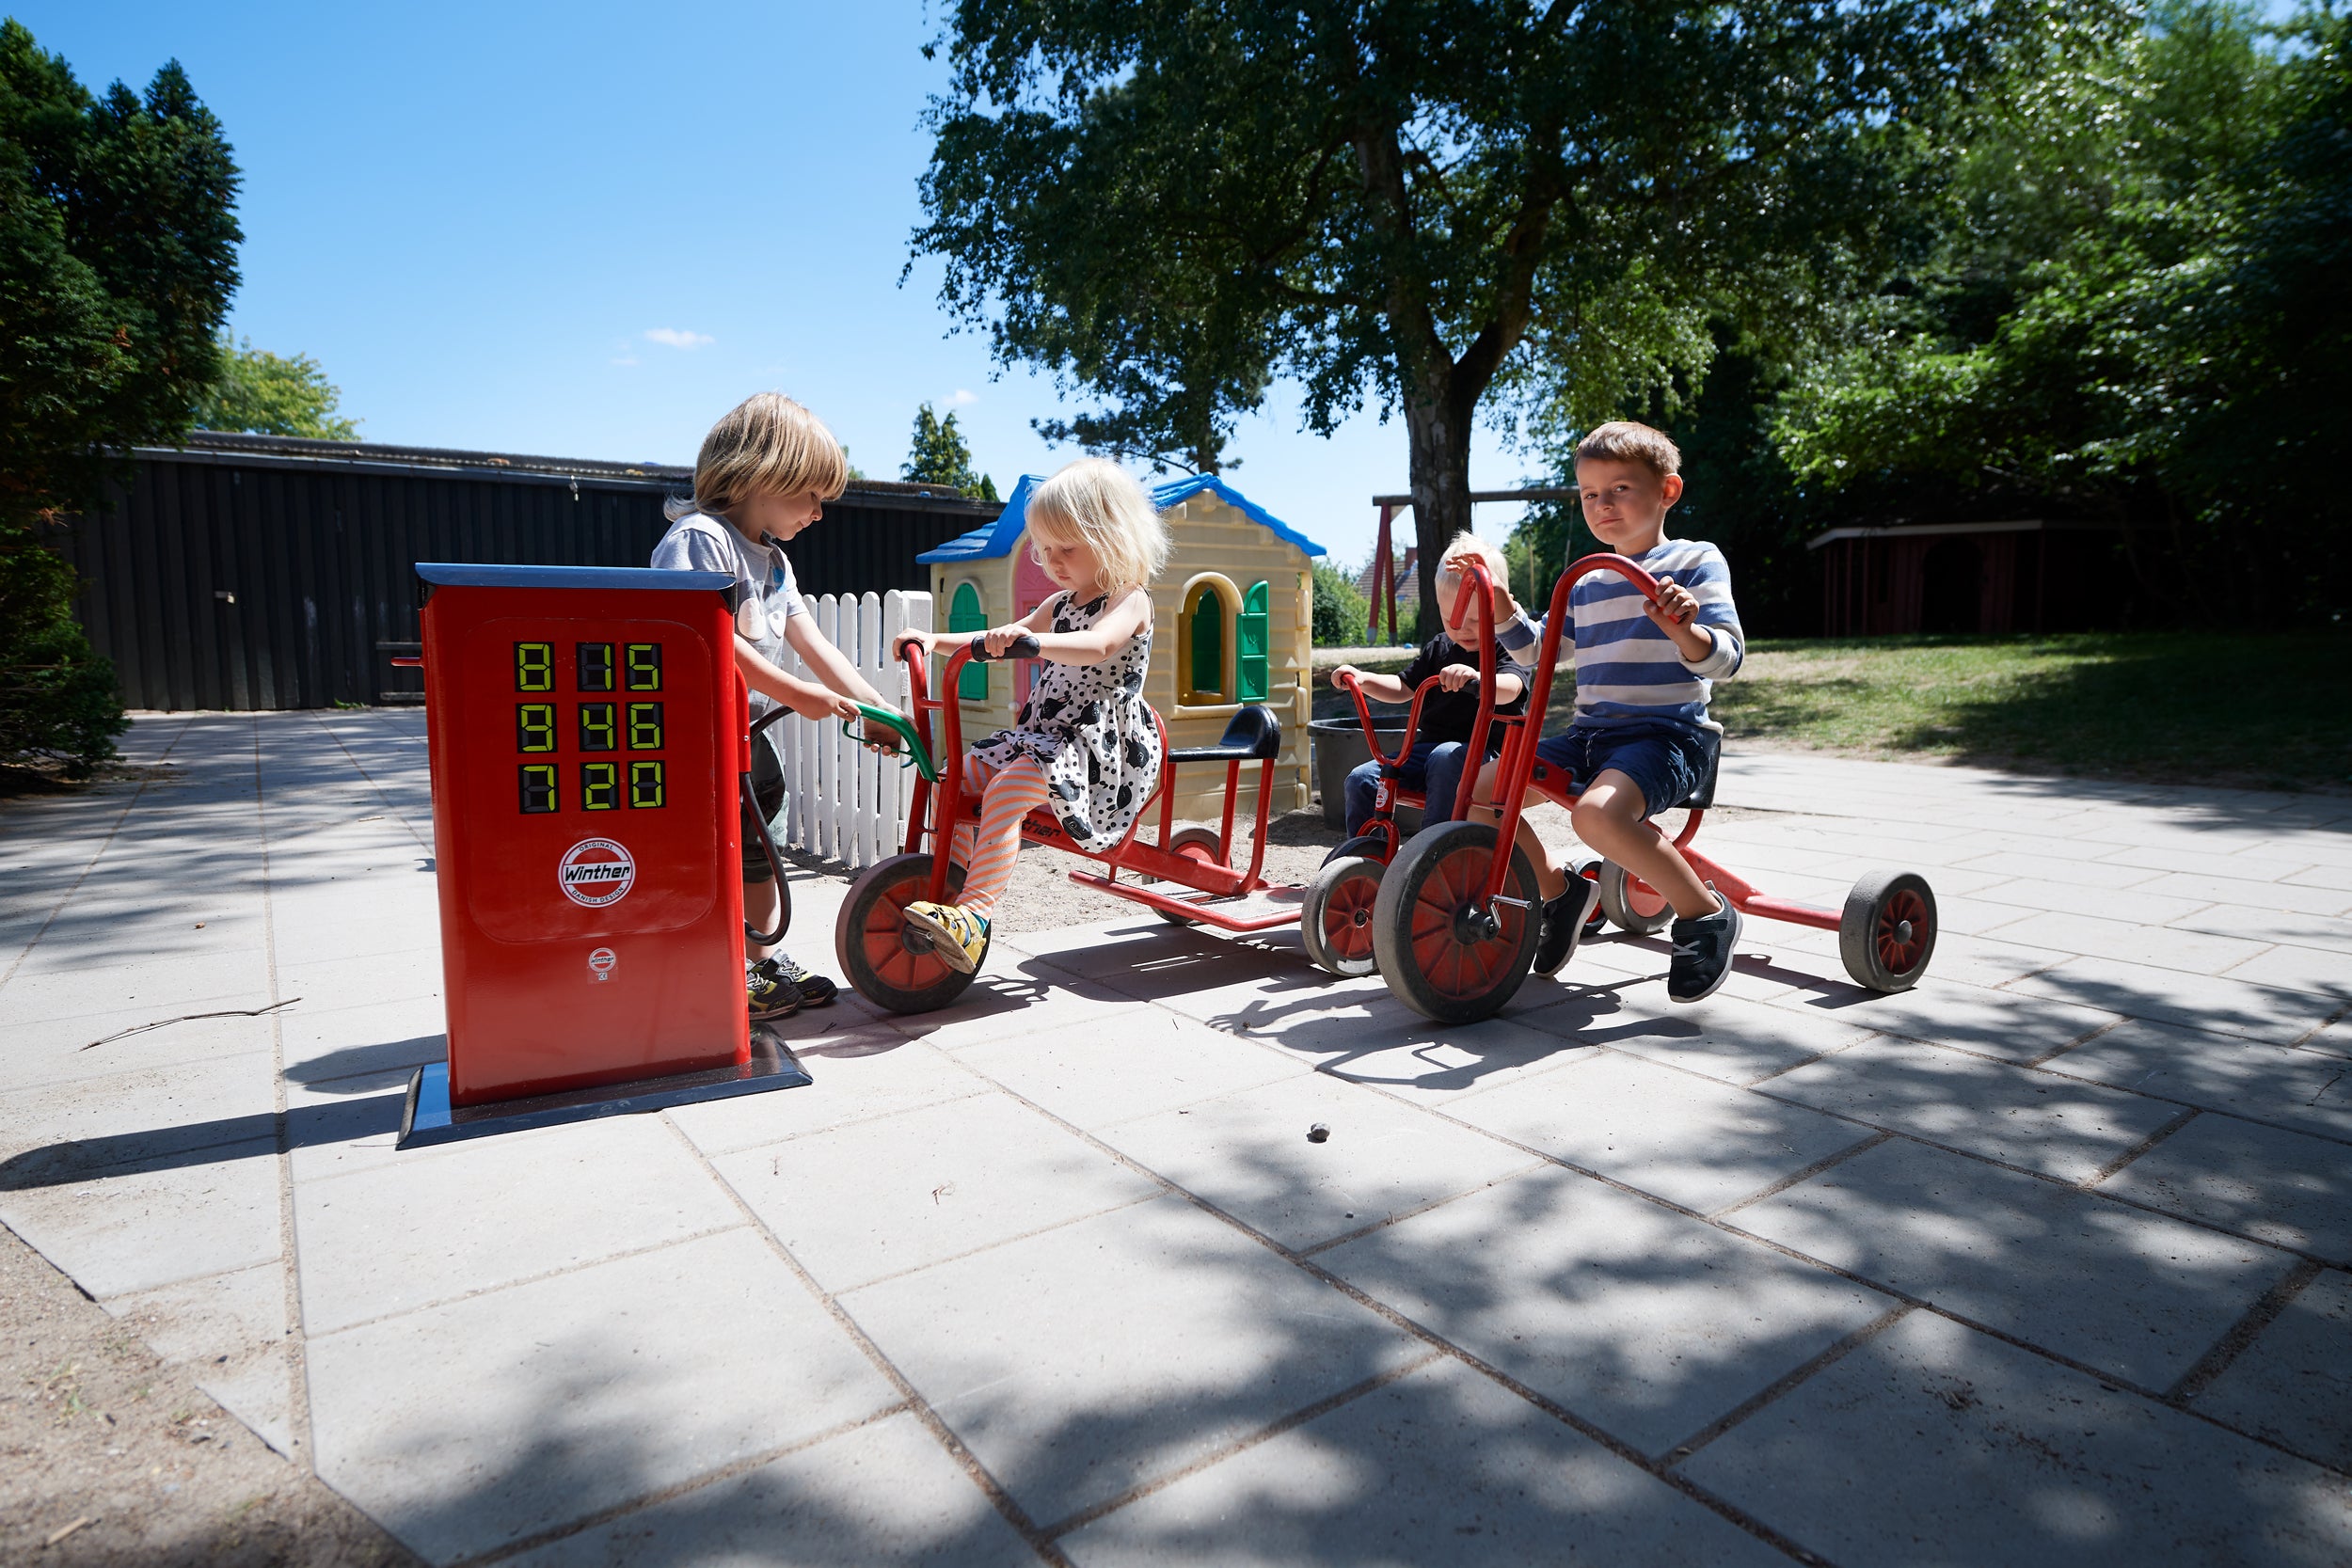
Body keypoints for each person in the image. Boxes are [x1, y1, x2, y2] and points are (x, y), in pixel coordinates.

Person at [1473, 420, 1746, 1002]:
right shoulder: (1588, 579)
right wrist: (1500, 608)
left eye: (1620, 489)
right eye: (1590, 494)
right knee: (1477, 794)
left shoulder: (1694, 561)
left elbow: (1725, 659)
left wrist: (1686, 631)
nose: (1603, 505)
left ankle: (1703, 913)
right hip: (1592, 734)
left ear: (1666, 491)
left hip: (1668, 735)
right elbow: (1537, 652)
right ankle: (1560, 893)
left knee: (1594, 817)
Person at [651, 392, 895, 1022]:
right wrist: (793, 693)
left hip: (750, 734)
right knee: (713, 854)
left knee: (764, 846)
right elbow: (708, 635)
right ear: (763, 476)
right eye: (811, 496)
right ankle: (719, 966)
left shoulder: (776, 562)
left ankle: (760, 961)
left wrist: (877, 709)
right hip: (699, 735)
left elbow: (813, 644)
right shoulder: (700, 539)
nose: (818, 513)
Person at [893, 457, 1169, 974]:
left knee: (1003, 790)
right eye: (1045, 549)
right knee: (958, 774)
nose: (1053, 561)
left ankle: (974, 917)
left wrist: (1035, 642)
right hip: (1044, 738)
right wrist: (934, 642)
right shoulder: (1060, 604)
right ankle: (950, 885)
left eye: (1067, 547)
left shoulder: (1131, 600)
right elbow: (997, 635)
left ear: (1112, 537)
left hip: (1093, 748)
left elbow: (1097, 644)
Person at [1327, 533, 1527, 844]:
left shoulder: (1507, 646)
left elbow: (1512, 687)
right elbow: (1402, 687)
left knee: (1445, 758)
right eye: (1452, 620)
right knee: (1363, 779)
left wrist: (1477, 678)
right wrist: (1364, 679)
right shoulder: (1440, 647)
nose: (1462, 629)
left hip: (1488, 757)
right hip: (1427, 751)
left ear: (1498, 604)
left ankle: (1431, 849)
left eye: (1474, 619)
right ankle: (1367, 855)